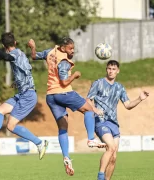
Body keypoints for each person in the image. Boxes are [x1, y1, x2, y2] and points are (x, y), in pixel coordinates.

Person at [28, 37, 106, 176]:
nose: (73, 51)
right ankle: (91, 139)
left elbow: (34, 56)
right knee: (89, 109)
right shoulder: (64, 61)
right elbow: (64, 82)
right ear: (63, 48)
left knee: (63, 128)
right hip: (63, 93)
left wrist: (32, 46)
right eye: (70, 48)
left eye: (73, 48)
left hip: (51, 96)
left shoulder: (50, 51)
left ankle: (66, 157)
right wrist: (74, 75)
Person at [0, 32, 48, 160]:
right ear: (15, 42)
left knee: (10, 126)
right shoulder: (21, 54)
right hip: (23, 93)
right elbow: (25, 71)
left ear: (4, 45)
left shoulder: (14, 54)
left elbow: (7, 57)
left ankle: (40, 143)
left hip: (28, 96)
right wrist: (18, 82)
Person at [85, 60, 149, 180]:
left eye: (113, 69)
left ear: (117, 71)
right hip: (101, 121)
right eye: (109, 68)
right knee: (111, 147)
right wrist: (94, 109)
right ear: (106, 69)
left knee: (113, 157)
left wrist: (139, 99)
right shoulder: (98, 83)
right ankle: (100, 176)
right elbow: (88, 100)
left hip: (114, 124)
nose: (111, 71)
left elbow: (128, 105)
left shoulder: (119, 87)